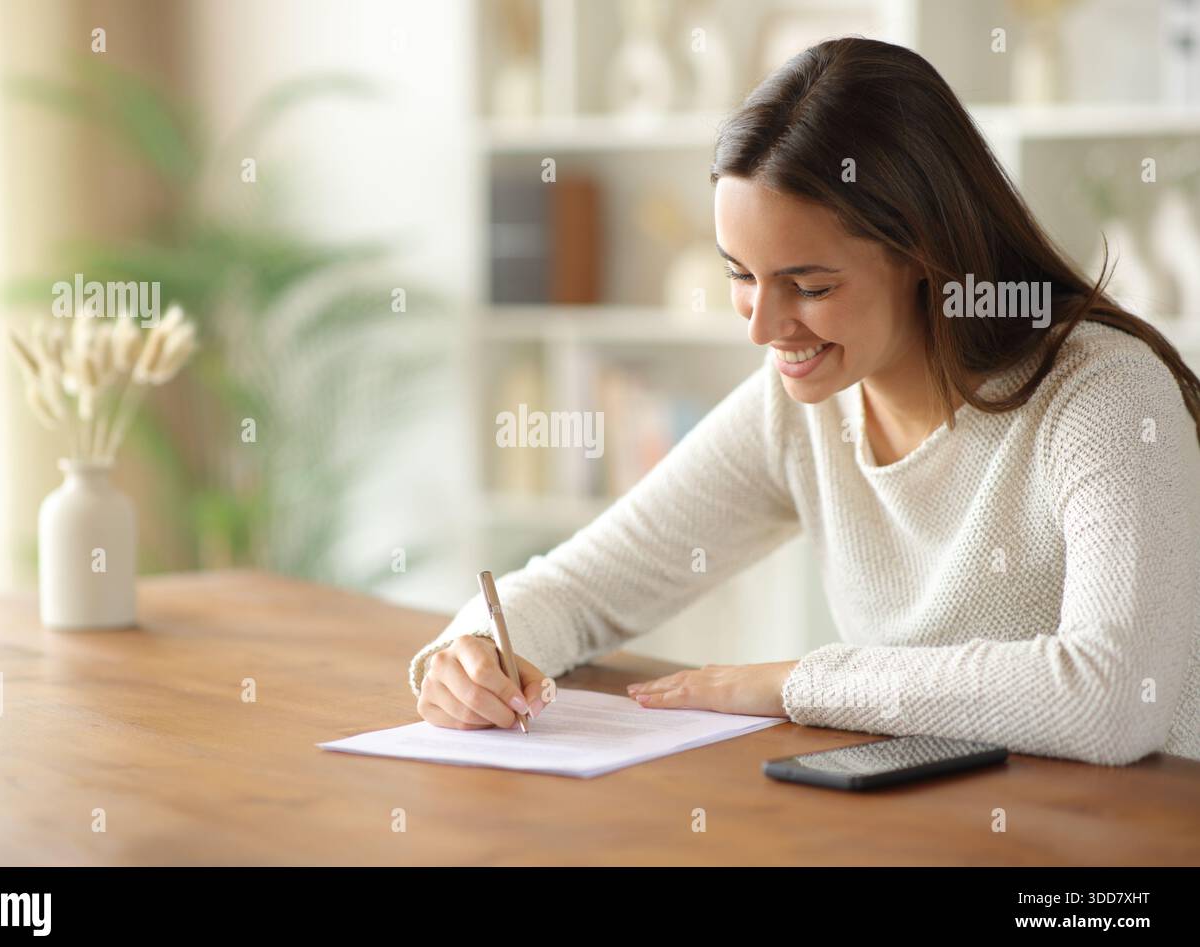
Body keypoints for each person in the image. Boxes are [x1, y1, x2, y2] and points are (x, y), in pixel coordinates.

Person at [407, 37, 1200, 766]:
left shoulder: (1102, 395)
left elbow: (1115, 697)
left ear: (924, 252)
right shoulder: (802, 410)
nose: (761, 326)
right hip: (956, 826)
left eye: (809, 285)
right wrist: (474, 651)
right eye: (739, 275)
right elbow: (581, 588)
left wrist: (792, 683)